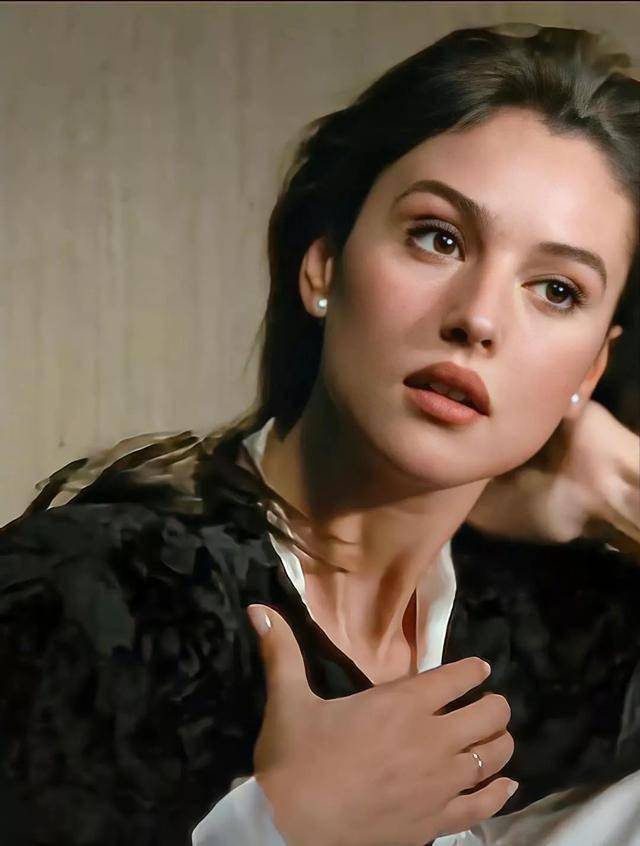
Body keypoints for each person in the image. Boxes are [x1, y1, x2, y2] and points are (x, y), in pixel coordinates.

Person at [1, 20, 639, 846]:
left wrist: (618, 481)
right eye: (438, 238)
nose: (478, 318)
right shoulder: (91, 599)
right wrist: (278, 829)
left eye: (556, 290)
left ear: (592, 366)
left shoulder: (552, 629)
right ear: (324, 265)